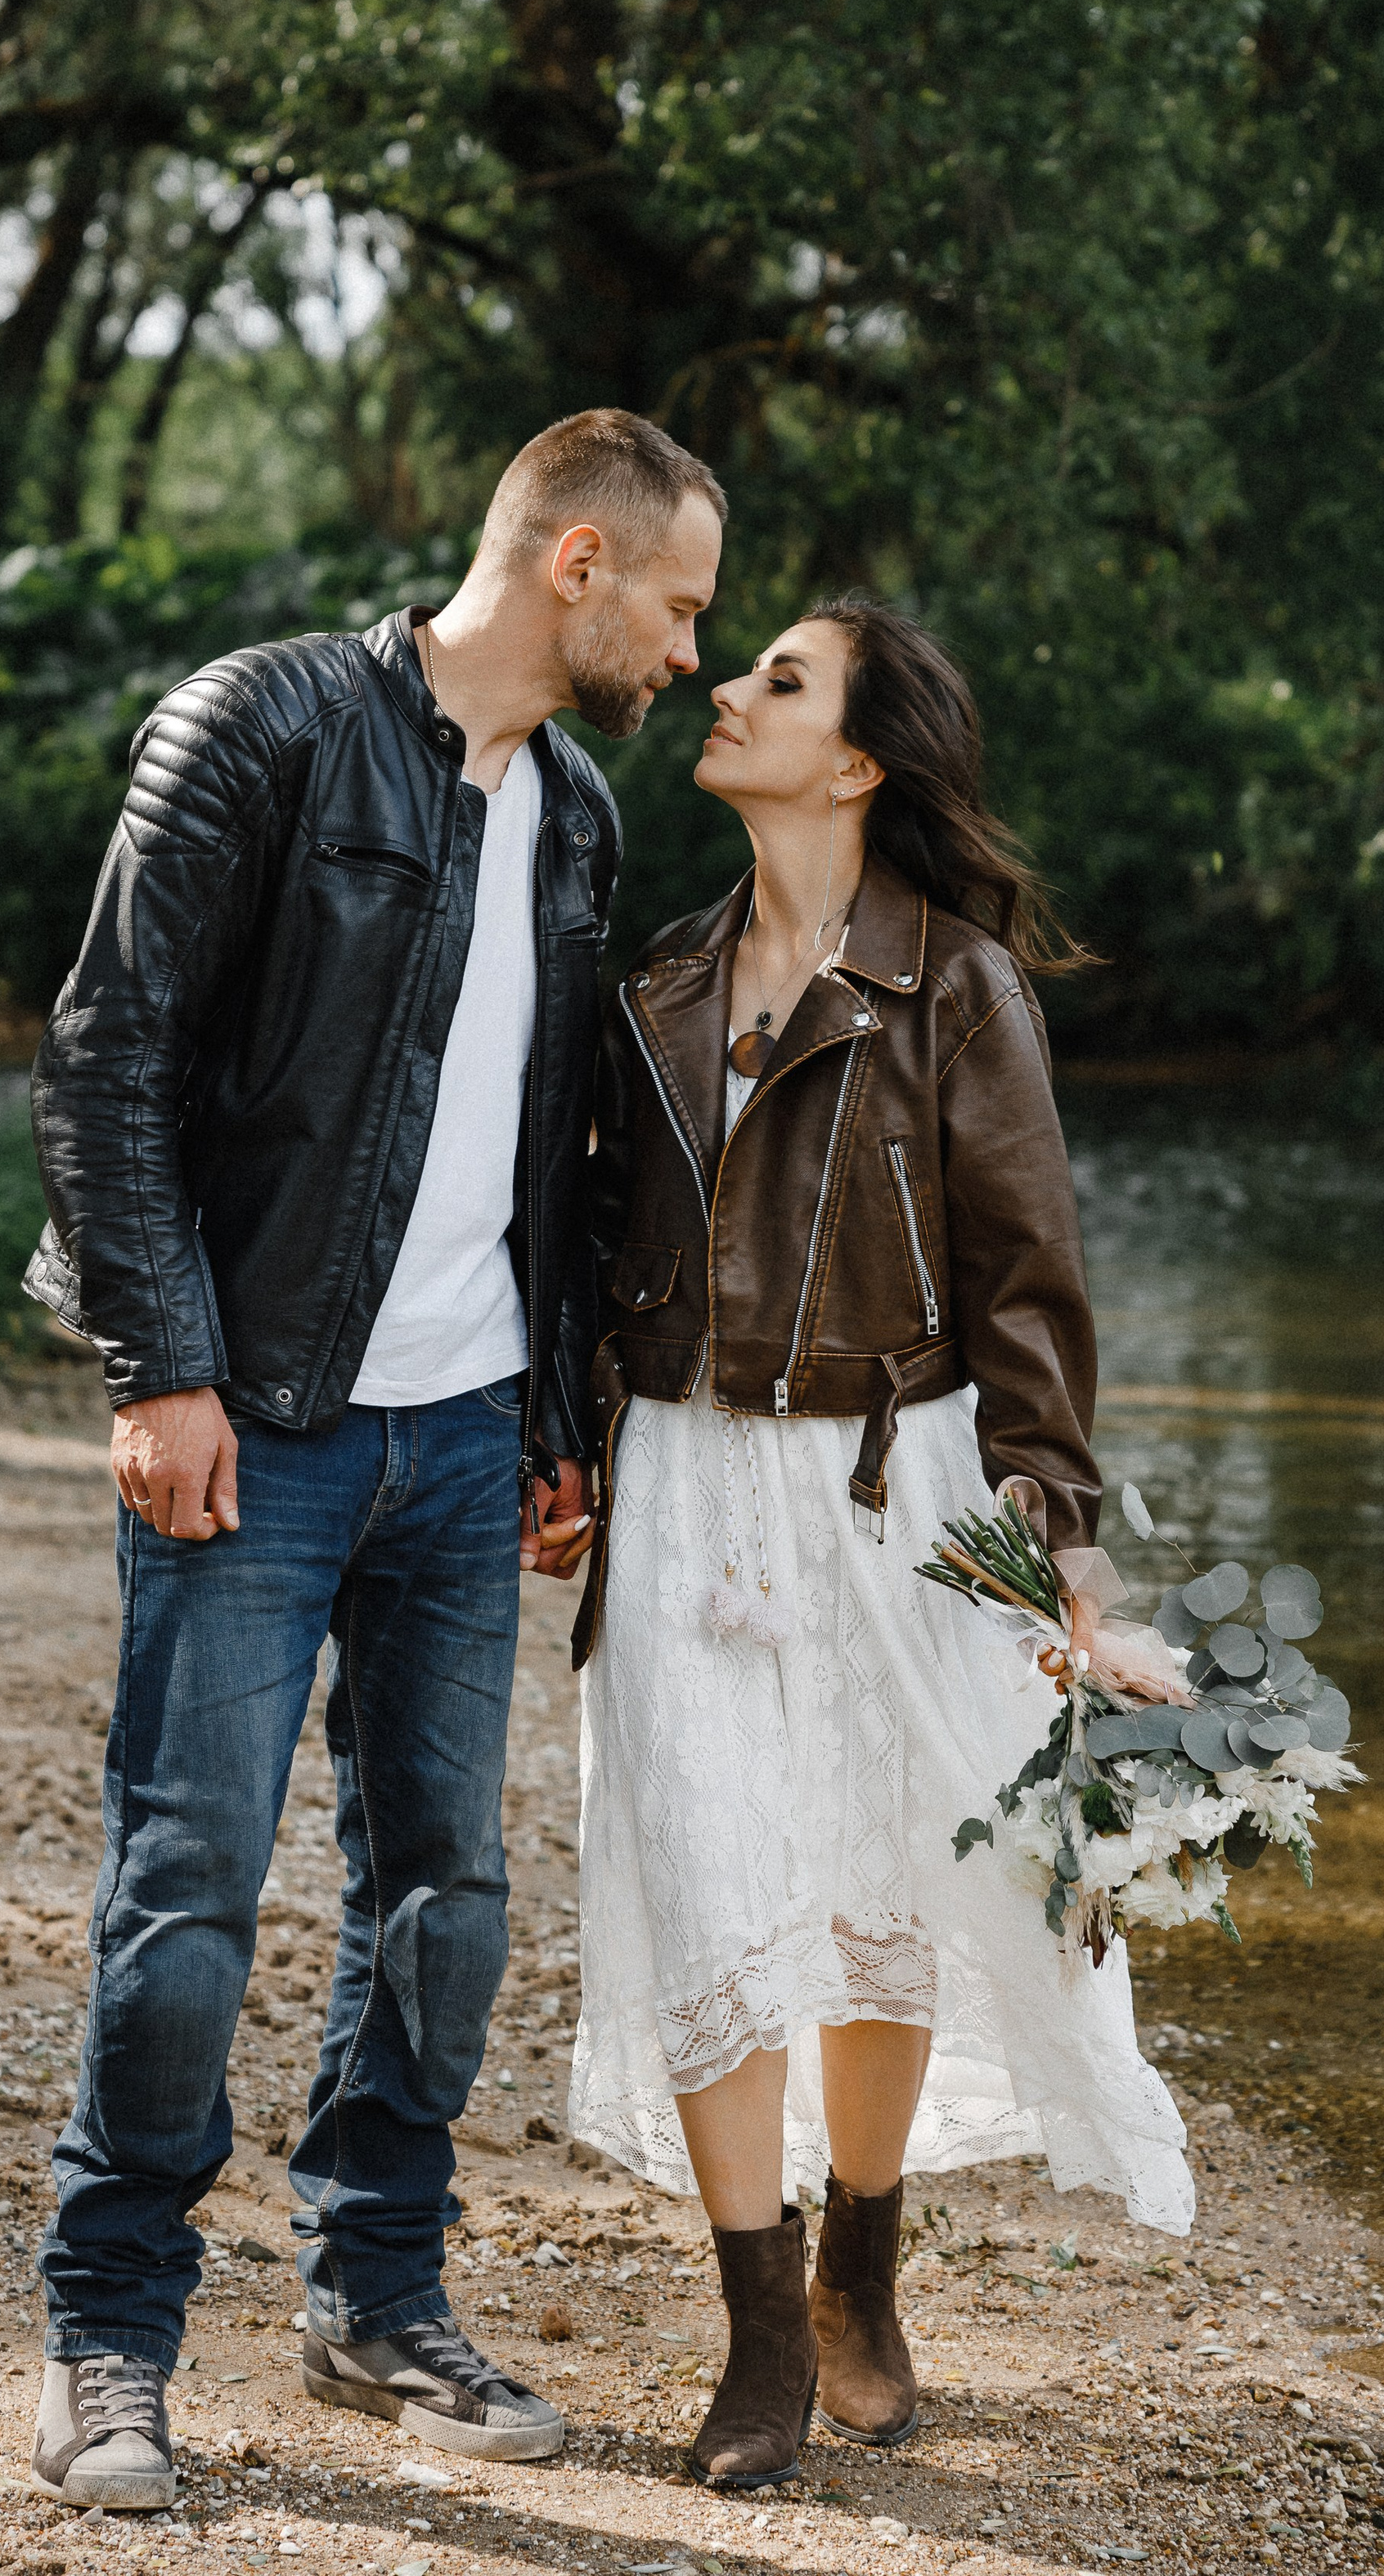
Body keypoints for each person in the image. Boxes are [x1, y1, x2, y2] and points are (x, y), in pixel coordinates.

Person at [20, 410, 725, 2511]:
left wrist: (551, 1419)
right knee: (189, 1894)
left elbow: (544, 1148)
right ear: (579, 560)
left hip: (458, 1431)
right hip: (260, 1423)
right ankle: (107, 2336)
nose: (692, 652)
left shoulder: (576, 814)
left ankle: (372, 2298)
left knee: (445, 1902)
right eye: (681, 605)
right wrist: (163, 1367)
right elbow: (107, 1050)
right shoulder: (260, 725)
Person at [570, 597, 1192, 2492]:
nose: (724, 689)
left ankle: (857, 2270)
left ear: (854, 761)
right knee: (698, 1870)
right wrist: (566, 1445)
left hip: (893, 1481)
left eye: (776, 678)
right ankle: (757, 2336)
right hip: (680, 1478)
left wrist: (1058, 1547)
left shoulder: (957, 988)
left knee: (873, 1882)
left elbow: (1027, 1286)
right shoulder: (659, 979)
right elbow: (603, 1251)